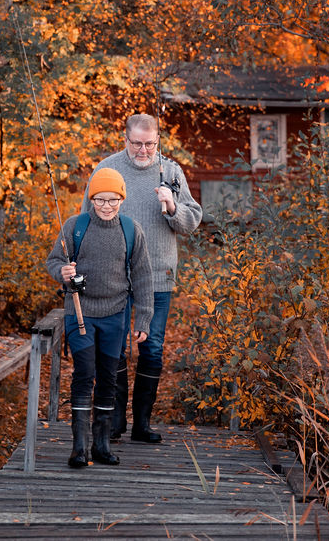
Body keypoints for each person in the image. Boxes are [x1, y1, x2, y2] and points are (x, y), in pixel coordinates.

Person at [82, 114, 202, 444]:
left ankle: (142, 423)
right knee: (113, 348)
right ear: (125, 140)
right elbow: (85, 221)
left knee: (152, 349)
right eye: (137, 143)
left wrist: (172, 205)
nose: (144, 150)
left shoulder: (172, 173)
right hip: (113, 277)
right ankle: (116, 420)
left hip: (159, 276)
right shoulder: (107, 170)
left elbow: (192, 221)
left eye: (150, 144)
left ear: (158, 141)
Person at [46, 168, 153, 468]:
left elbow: (143, 277)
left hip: (116, 314)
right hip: (80, 312)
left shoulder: (131, 231)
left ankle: (101, 445)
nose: (107, 206)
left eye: (113, 199)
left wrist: (143, 319)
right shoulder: (75, 226)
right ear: (91, 199)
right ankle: (79, 447)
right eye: (100, 200)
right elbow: (54, 261)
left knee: (108, 377)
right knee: (84, 373)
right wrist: (63, 273)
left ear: (122, 199)